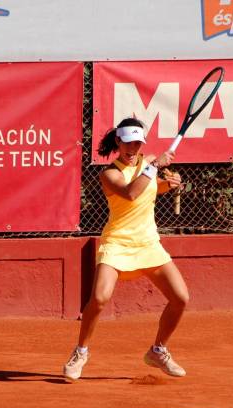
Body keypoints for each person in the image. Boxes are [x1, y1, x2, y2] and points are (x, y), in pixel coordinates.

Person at [63, 117, 189, 381]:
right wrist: (154, 166)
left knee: (180, 298)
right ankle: (81, 351)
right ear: (118, 142)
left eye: (138, 143)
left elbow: (150, 191)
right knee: (98, 299)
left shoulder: (147, 163)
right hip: (117, 243)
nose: (133, 149)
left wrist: (170, 183)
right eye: (128, 143)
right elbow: (131, 194)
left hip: (148, 243)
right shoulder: (109, 174)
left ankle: (158, 350)